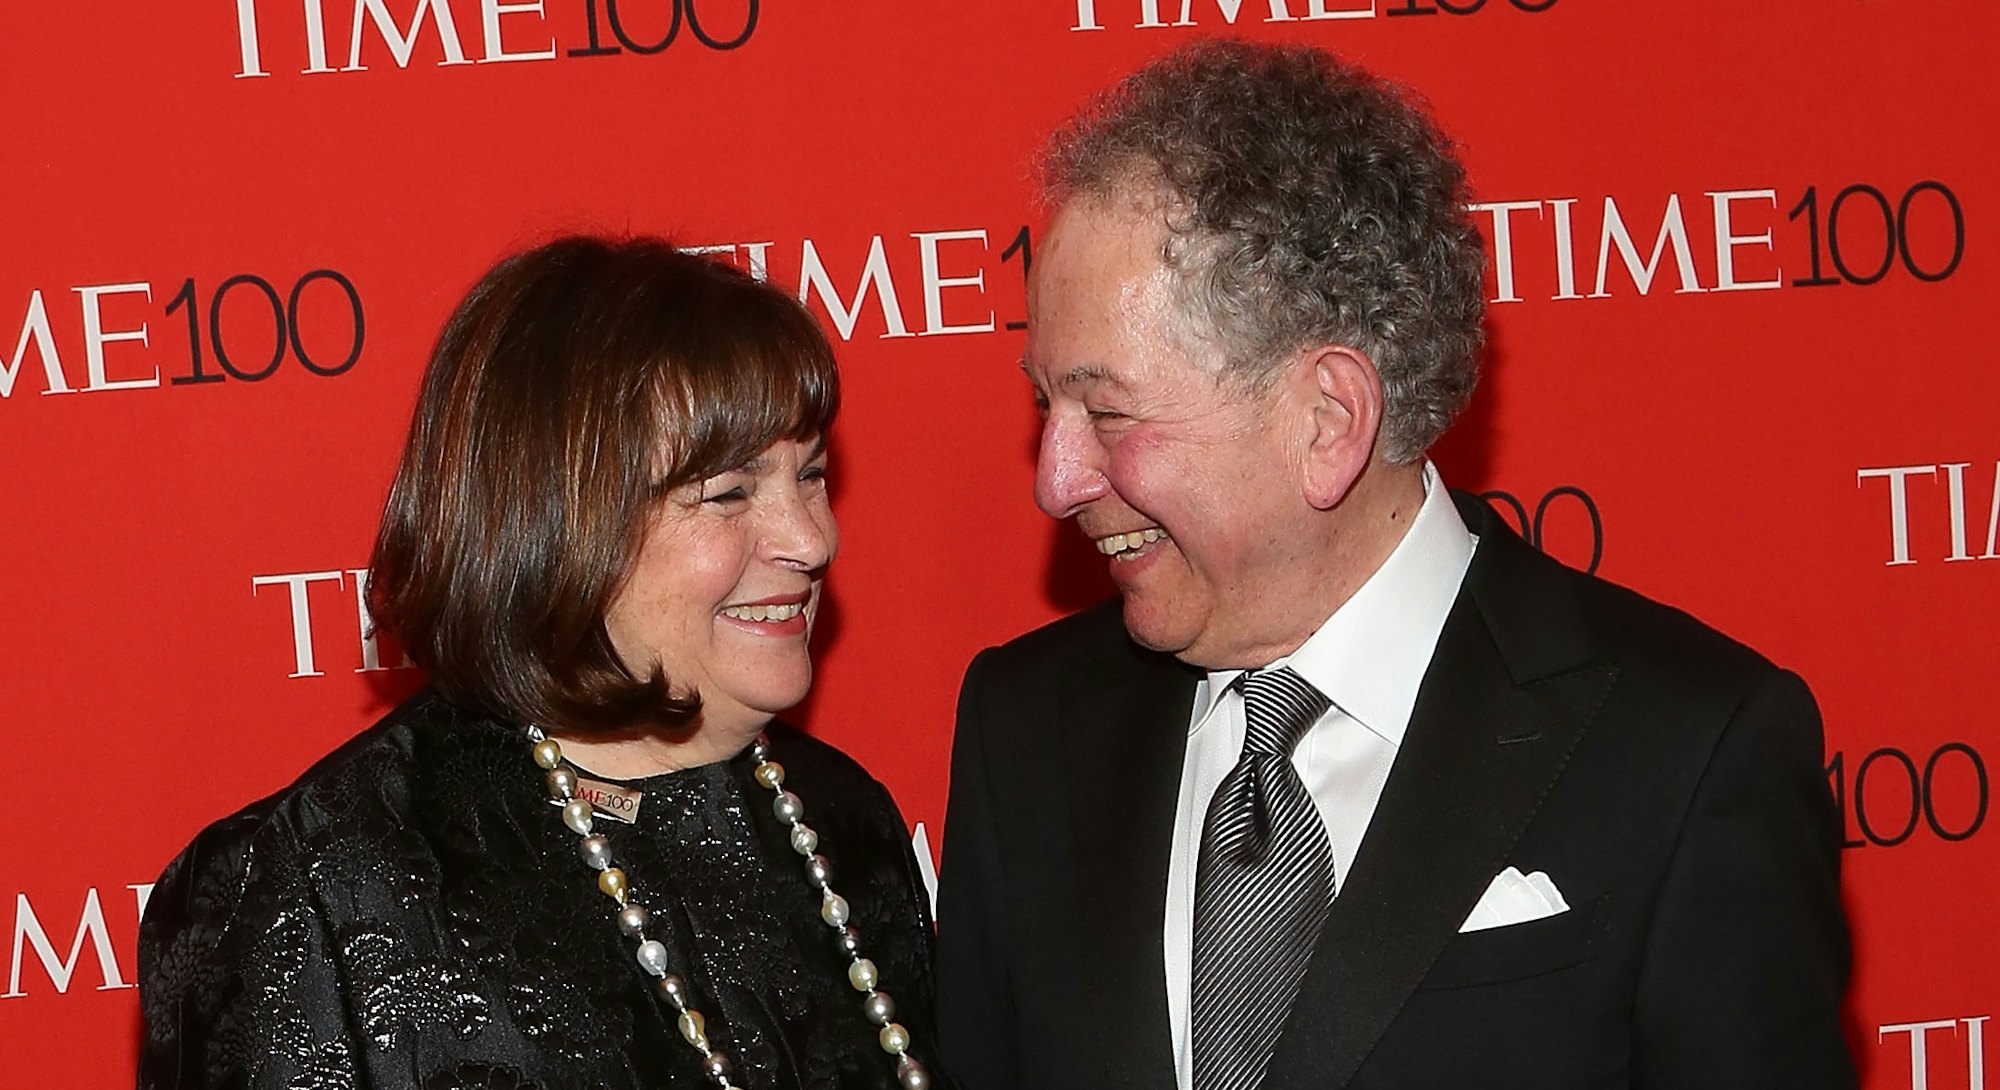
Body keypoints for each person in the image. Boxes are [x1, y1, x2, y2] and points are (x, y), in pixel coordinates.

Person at [934, 40, 1854, 1090]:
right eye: (1043, 403)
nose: (1055, 479)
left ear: (1327, 419)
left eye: (1107, 411)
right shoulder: (1025, 729)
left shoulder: (1686, 751)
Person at [139, 236, 942, 1090]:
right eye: (730, 493)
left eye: (811, 476)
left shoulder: (842, 825)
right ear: (558, 522)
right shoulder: (312, 888)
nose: (813, 540)